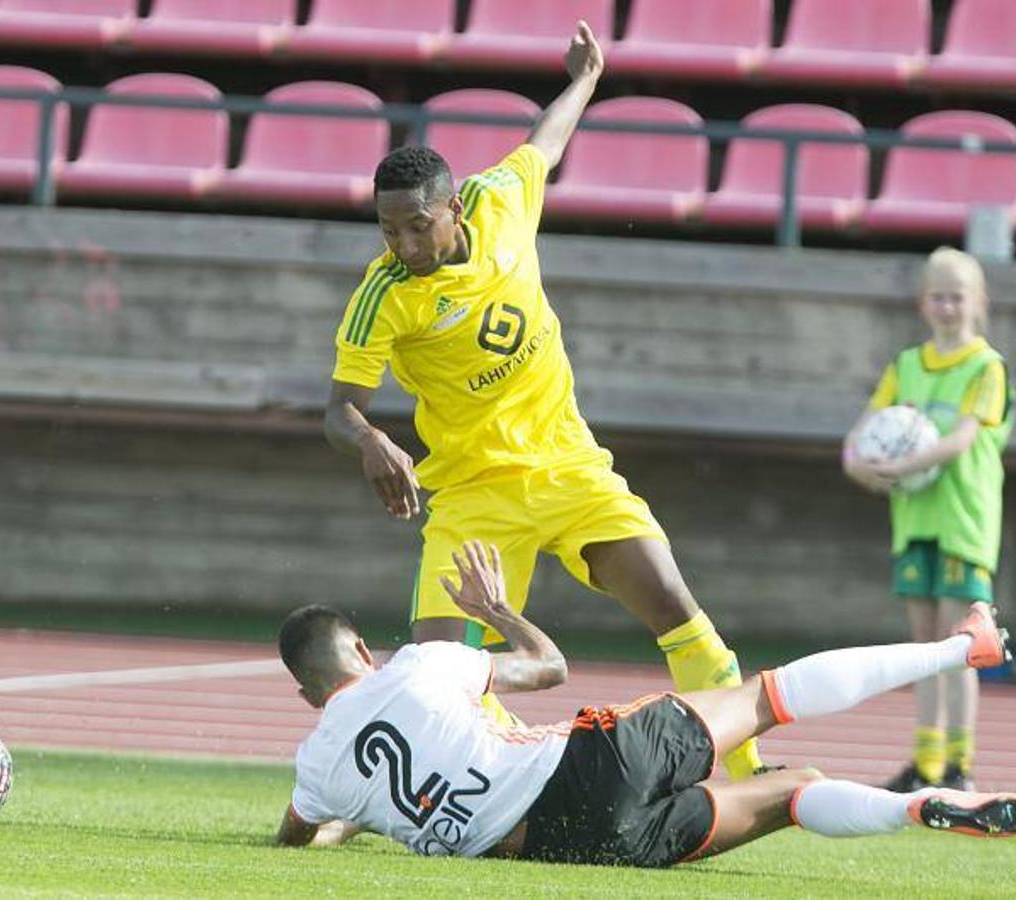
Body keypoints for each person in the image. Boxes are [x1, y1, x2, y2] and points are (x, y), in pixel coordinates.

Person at [322, 19, 768, 780]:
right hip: (472, 494)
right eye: (389, 229)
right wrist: (370, 439)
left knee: (676, 609)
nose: (403, 245)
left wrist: (586, 80)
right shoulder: (384, 296)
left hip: (569, 469)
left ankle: (753, 772)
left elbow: (545, 144)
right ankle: (500, 778)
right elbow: (338, 407)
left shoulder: (502, 201)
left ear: (455, 208)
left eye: (418, 226)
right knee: (439, 679)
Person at [274, 540, 1016, 865]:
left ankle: (914, 806)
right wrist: (498, 611)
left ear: (308, 693)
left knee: (791, 791)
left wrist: (354, 816)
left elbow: (298, 839)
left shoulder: (319, 770)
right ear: (362, 652)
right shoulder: (417, 666)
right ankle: (960, 647)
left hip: (566, 847)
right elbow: (547, 668)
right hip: (582, 765)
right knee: (766, 696)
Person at [843, 247, 1016, 793]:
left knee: (960, 642)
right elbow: (864, 426)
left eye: (957, 297)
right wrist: (857, 465)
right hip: (914, 521)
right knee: (921, 646)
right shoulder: (907, 365)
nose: (947, 307)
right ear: (923, 303)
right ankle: (926, 762)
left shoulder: (986, 367)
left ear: (979, 303)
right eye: (937, 296)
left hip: (964, 523)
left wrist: (898, 464)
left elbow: (962, 439)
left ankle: (960, 766)